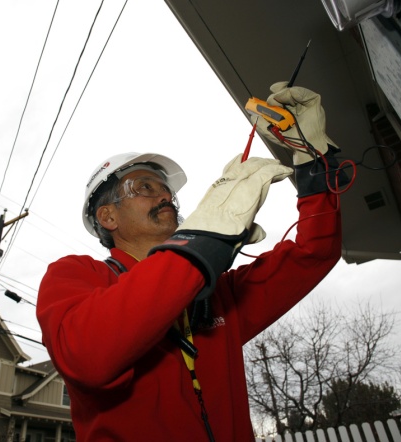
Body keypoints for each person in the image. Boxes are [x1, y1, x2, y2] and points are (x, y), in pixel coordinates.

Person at [36, 82, 345, 441]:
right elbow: (88, 357)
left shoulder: (214, 295)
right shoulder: (76, 274)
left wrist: (313, 160)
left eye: (166, 190)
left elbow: (314, 254)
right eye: (145, 188)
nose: (166, 196)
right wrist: (203, 243)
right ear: (108, 217)